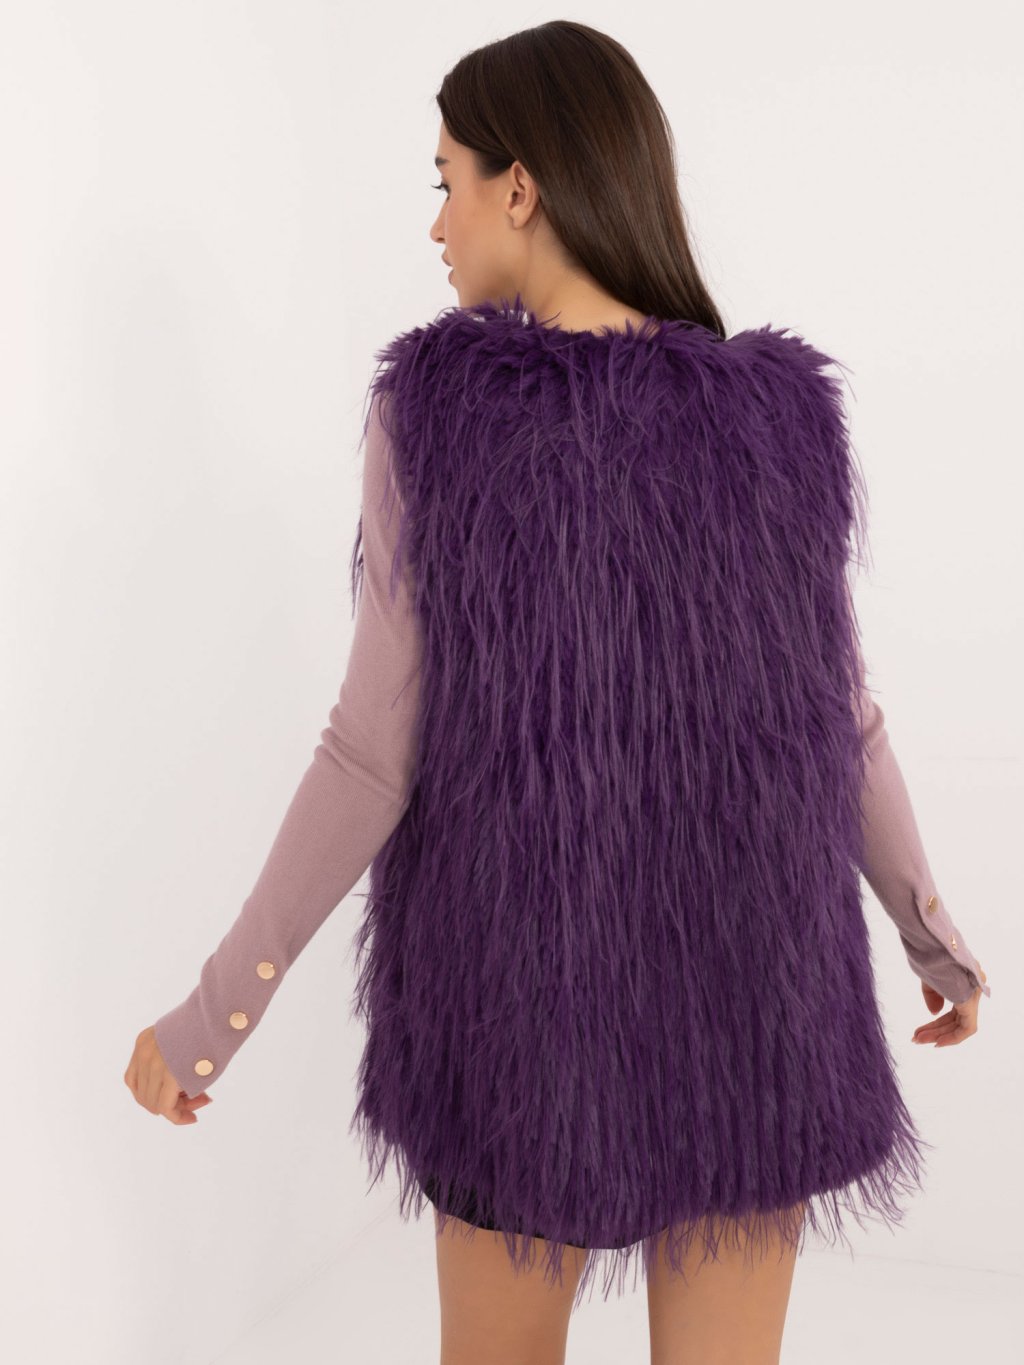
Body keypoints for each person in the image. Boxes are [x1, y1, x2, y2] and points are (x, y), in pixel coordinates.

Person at [125, 21, 989, 1365]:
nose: (437, 224)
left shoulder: (441, 413)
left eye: (447, 181)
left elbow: (370, 754)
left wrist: (211, 1016)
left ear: (519, 186)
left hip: (519, 1014)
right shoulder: (780, 420)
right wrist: (933, 936)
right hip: (754, 1004)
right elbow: (846, 718)